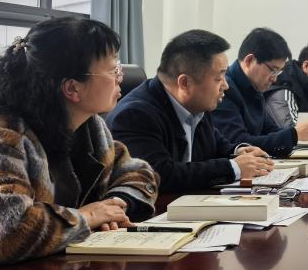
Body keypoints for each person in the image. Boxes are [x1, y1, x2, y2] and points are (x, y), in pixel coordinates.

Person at [0, 17, 158, 270]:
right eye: (111, 69)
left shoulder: (89, 127)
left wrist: (115, 206)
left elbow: (138, 172)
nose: (120, 76)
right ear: (72, 88)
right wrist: (87, 216)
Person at [107, 30, 276, 191]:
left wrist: (237, 151)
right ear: (185, 83)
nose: (226, 86)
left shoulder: (198, 105)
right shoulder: (135, 115)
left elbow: (215, 145)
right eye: (219, 78)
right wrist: (234, 167)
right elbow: (159, 175)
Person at [210, 28, 308, 156]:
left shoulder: (255, 88)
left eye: (279, 72)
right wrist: (294, 135)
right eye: (273, 70)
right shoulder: (225, 90)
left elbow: (270, 130)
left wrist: (296, 134)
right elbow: (238, 144)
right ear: (249, 61)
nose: (275, 78)